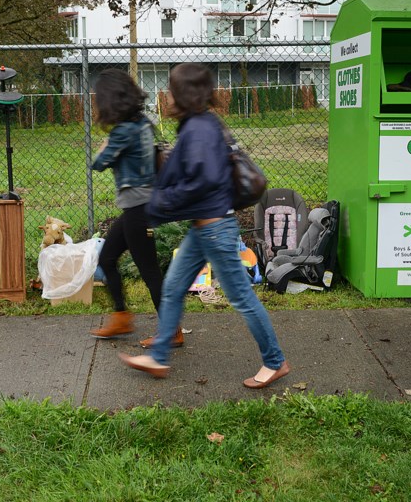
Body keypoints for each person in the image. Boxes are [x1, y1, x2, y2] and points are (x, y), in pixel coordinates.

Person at [117, 63, 290, 389]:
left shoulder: (198, 128)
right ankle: (159, 357)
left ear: (183, 92)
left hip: (215, 229)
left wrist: (162, 202)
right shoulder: (200, 123)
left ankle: (275, 361)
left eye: (171, 88)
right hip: (203, 228)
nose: (166, 95)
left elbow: (205, 180)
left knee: (242, 298)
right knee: (172, 288)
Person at [88, 69, 172, 344]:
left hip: (139, 208)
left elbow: (98, 163)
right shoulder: (144, 123)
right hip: (137, 207)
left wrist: (104, 144)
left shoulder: (124, 131)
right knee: (107, 258)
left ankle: (171, 332)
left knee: (149, 272)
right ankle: (121, 318)